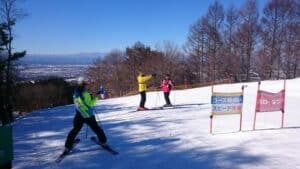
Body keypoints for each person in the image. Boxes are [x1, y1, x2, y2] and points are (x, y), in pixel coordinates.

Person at [62, 77, 107, 155]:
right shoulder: (85, 93)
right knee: (96, 128)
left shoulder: (76, 92)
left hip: (79, 114)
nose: (87, 85)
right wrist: (96, 97)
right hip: (88, 115)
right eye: (86, 84)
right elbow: (90, 103)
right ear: (82, 85)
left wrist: (92, 96)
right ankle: (103, 141)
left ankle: (67, 146)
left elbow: (81, 102)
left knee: (75, 130)